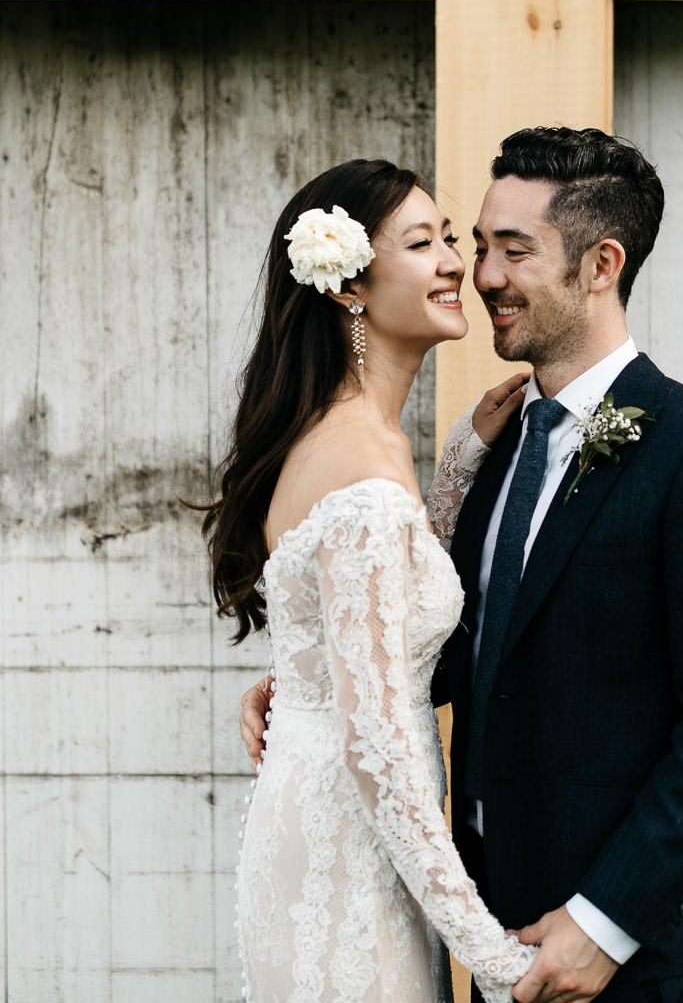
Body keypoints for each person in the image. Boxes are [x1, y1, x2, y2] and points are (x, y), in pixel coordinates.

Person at [241, 128, 683, 1003]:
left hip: (618, 951)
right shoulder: (494, 447)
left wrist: (604, 922)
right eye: (476, 244)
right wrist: (318, 680)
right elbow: (463, 653)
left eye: (512, 250)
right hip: (483, 921)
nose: (481, 272)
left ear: (601, 264)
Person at [200, 158, 538, 1003]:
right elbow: (380, 751)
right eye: (423, 244)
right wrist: (494, 959)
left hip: (333, 828)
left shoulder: (353, 437)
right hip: (351, 854)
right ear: (350, 287)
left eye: (449, 238)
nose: (457, 263)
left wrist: (456, 464)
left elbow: (370, 620)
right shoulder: (362, 470)